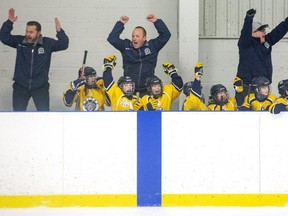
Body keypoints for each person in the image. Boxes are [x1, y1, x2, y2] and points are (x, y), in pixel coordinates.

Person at [0, 8, 69, 111]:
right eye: (27, 31)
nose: (28, 34)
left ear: (38, 32)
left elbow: (64, 44)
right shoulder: (20, 42)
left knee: (44, 114)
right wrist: (9, 22)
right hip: (20, 86)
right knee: (17, 116)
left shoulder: (47, 43)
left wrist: (59, 31)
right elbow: (4, 37)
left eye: (31, 32)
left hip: (40, 87)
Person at [234, 8, 288, 107]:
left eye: (264, 30)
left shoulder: (267, 41)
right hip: (247, 88)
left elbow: (279, 30)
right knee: (244, 115)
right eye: (261, 30)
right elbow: (245, 32)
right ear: (253, 33)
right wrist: (249, 18)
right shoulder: (245, 44)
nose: (264, 32)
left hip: (264, 87)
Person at [107, 14, 171, 97]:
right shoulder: (126, 46)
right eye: (133, 36)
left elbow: (166, 35)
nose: (134, 38)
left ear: (144, 38)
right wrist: (120, 23)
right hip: (128, 90)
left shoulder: (152, 46)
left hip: (147, 91)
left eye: (137, 36)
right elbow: (112, 38)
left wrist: (156, 21)